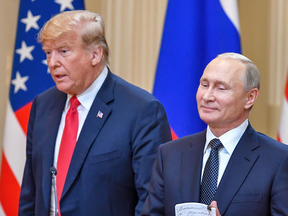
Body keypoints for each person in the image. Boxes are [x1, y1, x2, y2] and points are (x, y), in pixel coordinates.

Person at [18, 10, 172, 216]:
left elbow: (152, 201)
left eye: (63, 51)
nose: (52, 62)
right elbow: (31, 191)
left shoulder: (142, 110)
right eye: (48, 52)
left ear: (95, 55)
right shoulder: (42, 104)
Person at [141, 53, 288, 216]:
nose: (207, 96)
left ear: (250, 98)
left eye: (221, 88)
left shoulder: (278, 160)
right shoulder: (170, 154)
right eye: (204, 85)